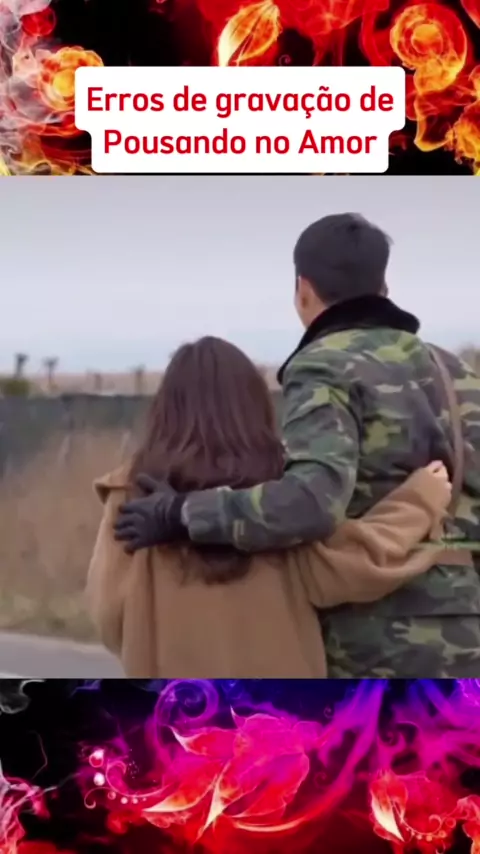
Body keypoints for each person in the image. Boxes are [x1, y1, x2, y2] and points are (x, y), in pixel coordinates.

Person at [115, 213, 480, 678]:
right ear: (383, 285)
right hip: (466, 632)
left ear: (303, 289)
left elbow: (310, 503)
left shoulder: (323, 365)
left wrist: (182, 513)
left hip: (370, 638)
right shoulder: (456, 372)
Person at [87, 336, 452, 678]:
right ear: (254, 406)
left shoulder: (132, 492)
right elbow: (355, 562)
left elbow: (108, 613)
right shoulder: (278, 492)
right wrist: (420, 499)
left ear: (166, 409)